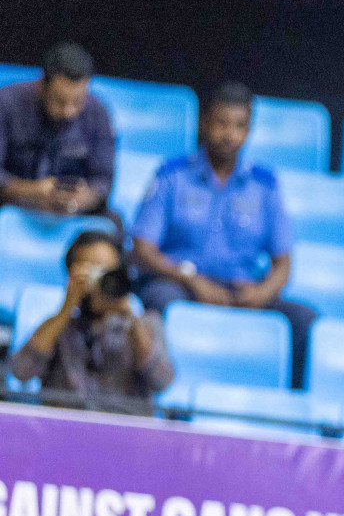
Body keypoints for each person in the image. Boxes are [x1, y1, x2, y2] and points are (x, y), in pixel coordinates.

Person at [129, 82, 315, 387]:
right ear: (203, 122)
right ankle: (154, 391)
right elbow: (142, 248)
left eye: (239, 126)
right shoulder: (172, 175)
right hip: (182, 283)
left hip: (242, 291)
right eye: (221, 123)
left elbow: (283, 263)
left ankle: (290, 408)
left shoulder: (265, 185)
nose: (229, 134)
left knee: (304, 320)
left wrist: (263, 292)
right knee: (159, 300)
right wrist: (191, 279)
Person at [10, 230, 173, 400]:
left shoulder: (147, 324)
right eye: (92, 272)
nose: (101, 282)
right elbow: (21, 372)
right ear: (72, 275)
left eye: (107, 272)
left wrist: (130, 317)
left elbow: (161, 381)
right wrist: (66, 308)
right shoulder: (59, 328)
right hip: (66, 423)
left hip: (124, 423)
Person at [0, 42, 114, 215]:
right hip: (10, 206)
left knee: (113, 222)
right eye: (60, 101)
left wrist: (84, 196)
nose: (69, 111)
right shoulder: (6, 104)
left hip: (69, 213)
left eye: (77, 101)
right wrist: (33, 190)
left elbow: (103, 181)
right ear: (42, 86)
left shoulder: (97, 113)